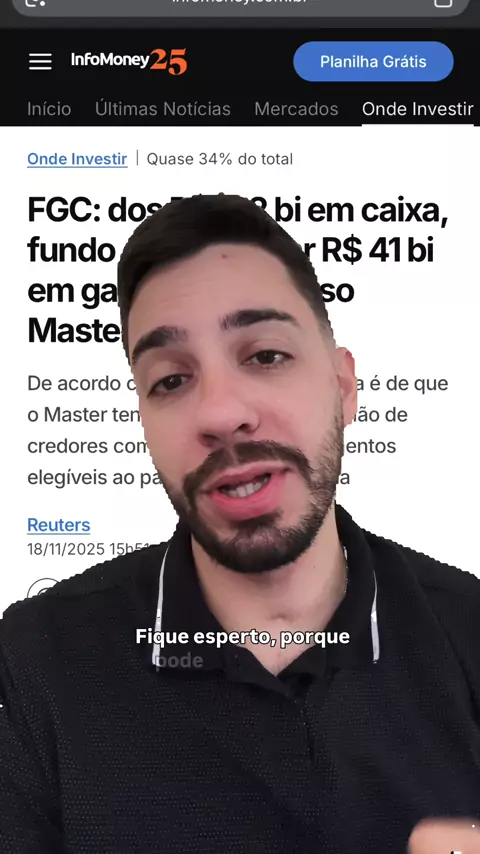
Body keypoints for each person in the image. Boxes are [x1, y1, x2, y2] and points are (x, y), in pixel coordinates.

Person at [0, 194, 479, 854]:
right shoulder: (36, 660)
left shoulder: (468, 633)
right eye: (171, 380)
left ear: (344, 388)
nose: (221, 413)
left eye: (266, 356)